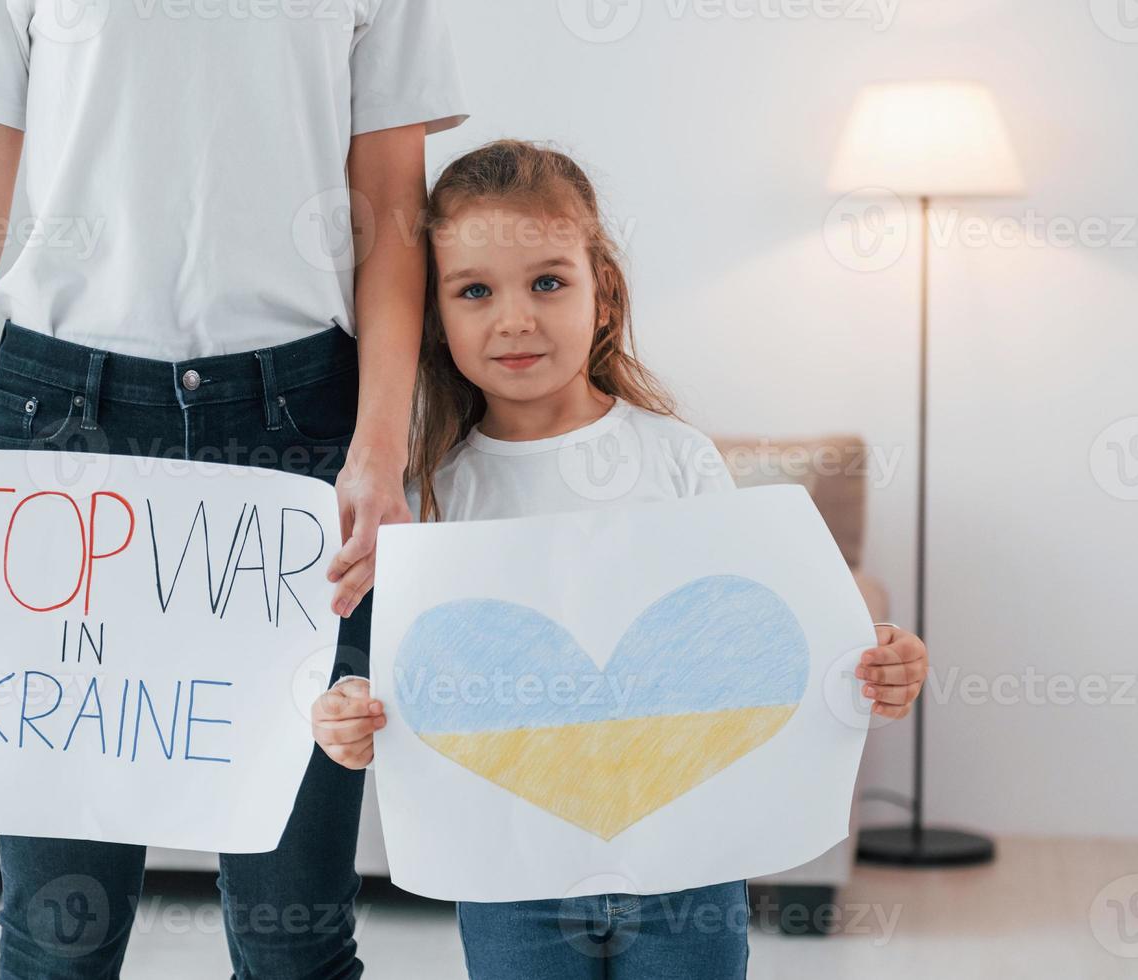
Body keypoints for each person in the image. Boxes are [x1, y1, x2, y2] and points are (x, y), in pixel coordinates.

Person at [0, 2, 468, 976]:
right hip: (63, 420)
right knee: (53, 935)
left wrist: (380, 443)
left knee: (299, 936)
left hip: (296, 428)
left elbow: (393, 211)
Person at [310, 139, 931, 979]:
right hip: (511, 870)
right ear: (434, 318)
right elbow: (411, 669)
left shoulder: (678, 458)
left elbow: (753, 628)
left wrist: (874, 658)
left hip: (688, 865)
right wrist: (351, 711)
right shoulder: (425, 490)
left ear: (601, 294)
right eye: (474, 291)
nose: (515, 317)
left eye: (548, 281)